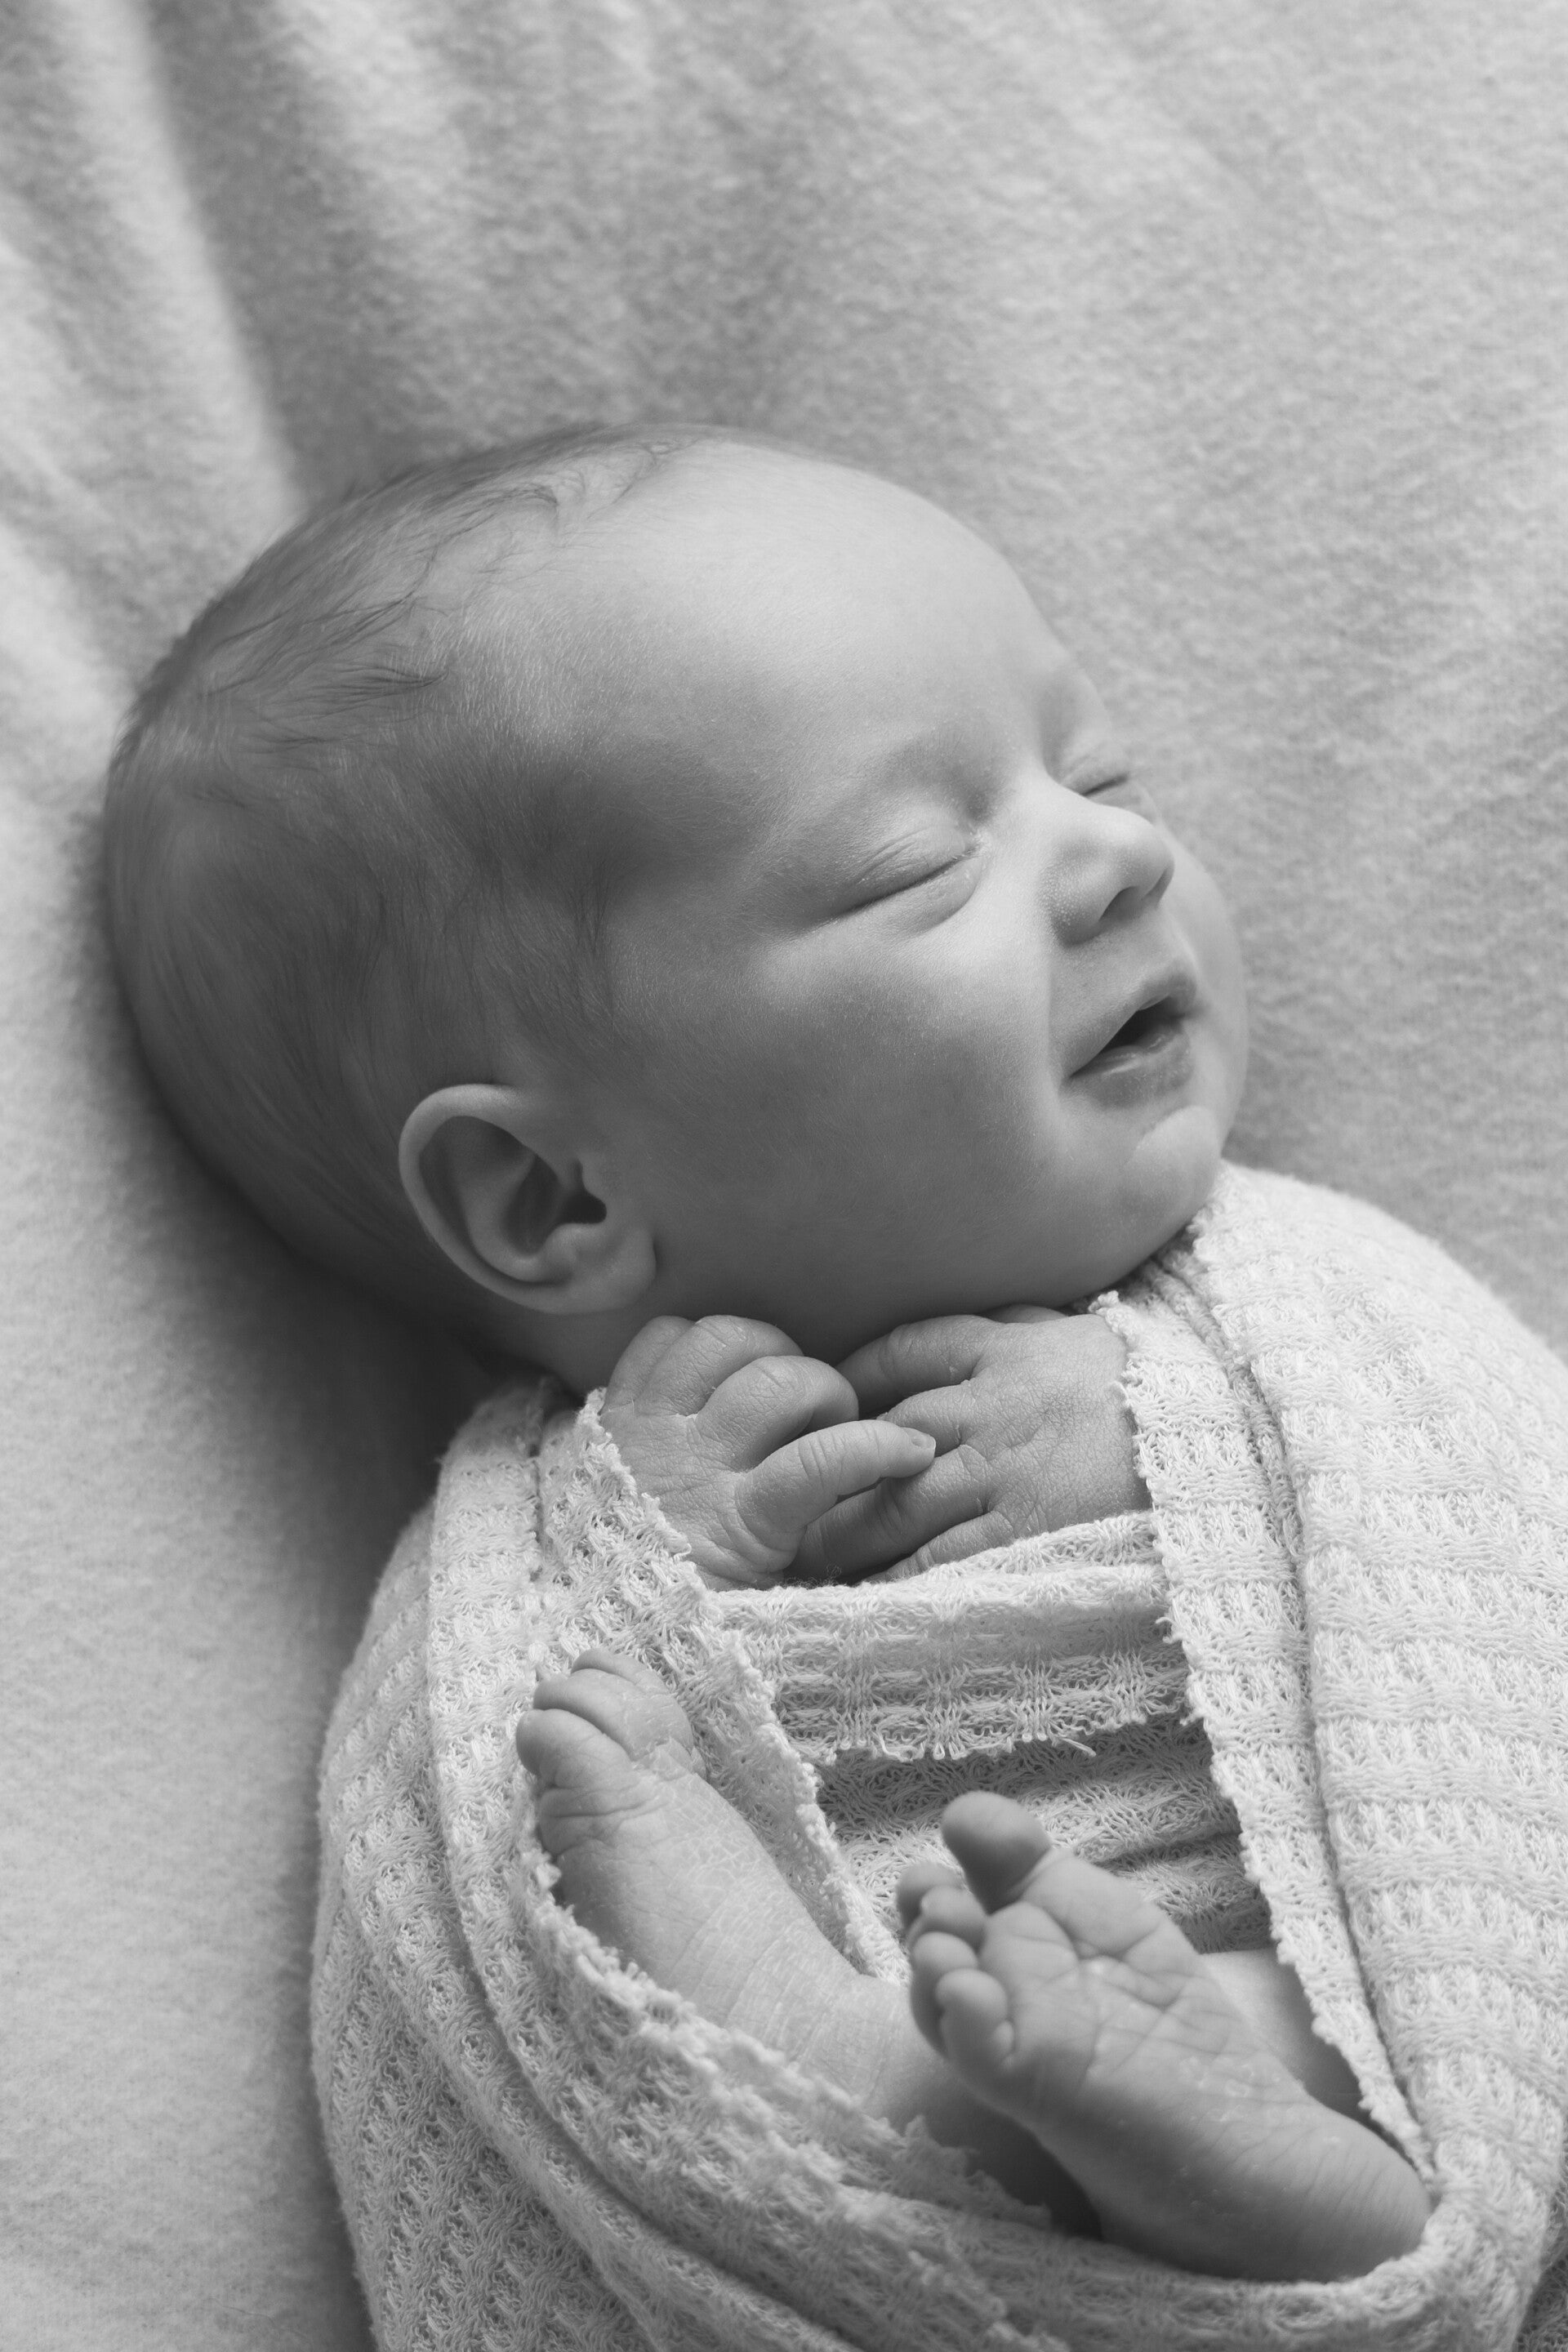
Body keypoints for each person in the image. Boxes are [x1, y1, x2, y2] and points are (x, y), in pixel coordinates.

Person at [104, 423, 1437, 2287]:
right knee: (611, 1834)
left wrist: (1171, 1437)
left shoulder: (1284, 1305)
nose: (1121, 855)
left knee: (1402, 1984)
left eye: (1095, 773)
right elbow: (477, 1831)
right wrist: (655, 1571)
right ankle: (888, 2083)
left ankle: (1236, 2148)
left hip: (1395, 1986)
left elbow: (1466, 1515)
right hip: (906, 2123)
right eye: (918, 866)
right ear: (555, 1195)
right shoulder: (554, 1526)